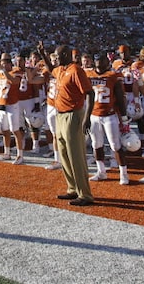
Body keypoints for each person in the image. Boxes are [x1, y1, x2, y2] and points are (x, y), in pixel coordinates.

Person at [52, 44, 95, 206]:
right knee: (63, 154)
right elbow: (51, 69)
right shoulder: (61, 70)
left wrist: (87, 117)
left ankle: (85, 194)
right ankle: (72, 188)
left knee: (76, 155)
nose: (56, 59)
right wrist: (42, 53)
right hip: (60, 115)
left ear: (65, 55)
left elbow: (90, 93)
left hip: (73, 114)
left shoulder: (76, 70)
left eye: (58, 56)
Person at [85, 52, 130, 185]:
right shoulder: (88, 74)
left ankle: (124, 173)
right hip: (94, 115)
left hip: (109, 115)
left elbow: (120, 97)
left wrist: (123, 116)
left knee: (115, 145)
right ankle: (101, 171)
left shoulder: (113, 76)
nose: (99, 61)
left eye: (102, 59)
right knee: (96, 145)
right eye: (97, 58)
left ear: (107, 61)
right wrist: (85, 116)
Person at [0, 52, 26, 164]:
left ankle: (20, 155)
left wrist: (4, 72)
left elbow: (14, 81)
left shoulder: (16, 71)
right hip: (2, 104)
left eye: (3, 63)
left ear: (8, 63)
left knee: (15, 130)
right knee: (5, 130)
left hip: (13, 104)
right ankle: (7, 153)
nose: (2, 65)